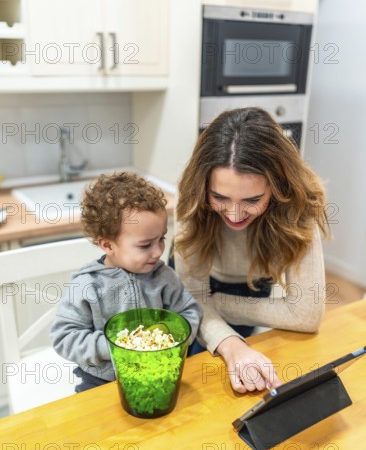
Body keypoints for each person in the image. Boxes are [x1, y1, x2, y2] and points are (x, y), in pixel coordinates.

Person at [172, 107, 329, 395]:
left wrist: (213, 305)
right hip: (202, 284)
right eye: (219, 197)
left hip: (251, 288)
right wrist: (229, 344)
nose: (233, 215)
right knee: (190, 374)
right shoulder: (192, 199)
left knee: (234, 382)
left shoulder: (299, 205)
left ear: (278, 185)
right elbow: (192, 297)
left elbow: (306, 316)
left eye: (252, 199)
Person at [51, 171, 202, 392]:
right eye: (145, 245)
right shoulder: (87, 286)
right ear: (108, 246)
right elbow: (65, 337)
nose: (158, 252)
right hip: (102, 380)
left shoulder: (164, 276)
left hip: (158, 371)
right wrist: (113, 347)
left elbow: (189, 311)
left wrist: (171, 337)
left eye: (161, 239)